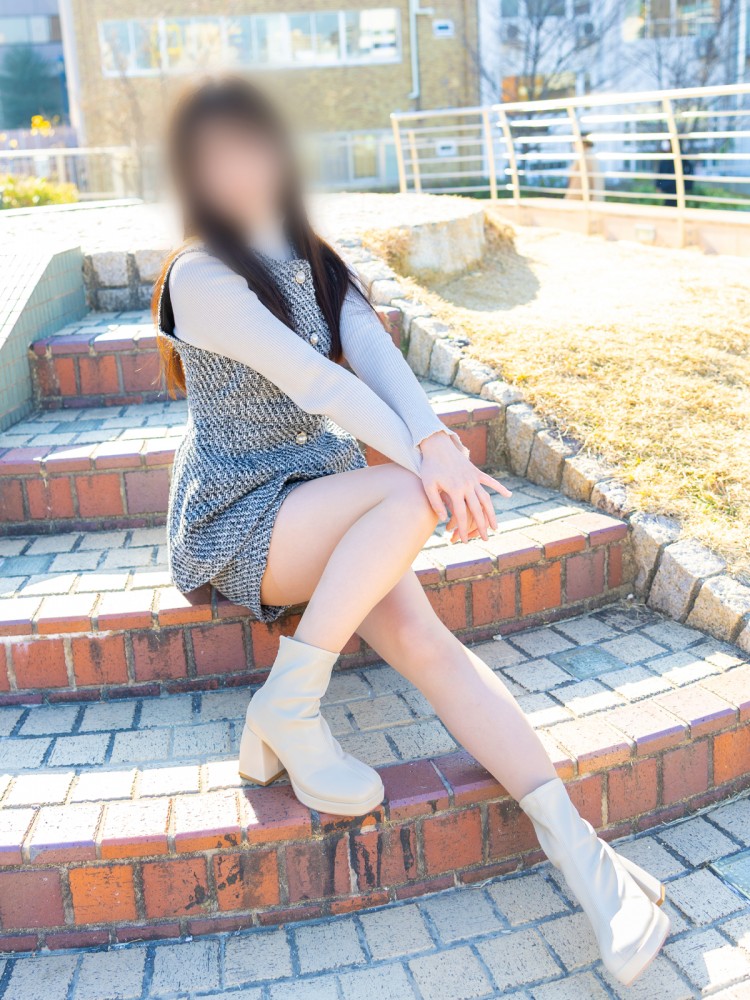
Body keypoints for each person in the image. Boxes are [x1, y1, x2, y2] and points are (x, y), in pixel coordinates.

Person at [153, 74, 669, 986]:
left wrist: (434, 442)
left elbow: (373, 354)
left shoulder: (311, 255)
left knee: (430, 644)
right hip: (238, 516)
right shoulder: (200, 276)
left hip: (320, 495)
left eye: (253, 143)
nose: (239, 167)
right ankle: (288, 708)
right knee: (404, 495)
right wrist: (434, 467)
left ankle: (588, 863)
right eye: (214, 154)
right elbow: (322, 385)